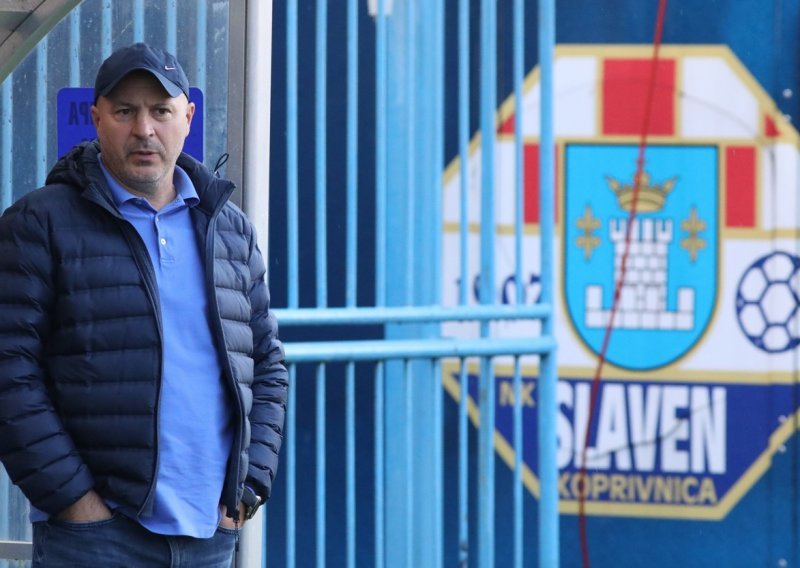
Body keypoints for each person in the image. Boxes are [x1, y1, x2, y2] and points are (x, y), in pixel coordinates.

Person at [0, 43, 288, 567]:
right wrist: (74, 501)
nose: (144, 129)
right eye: (125, 111)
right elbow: (8, 369)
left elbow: (266, 362)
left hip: (209, 534)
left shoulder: (228, 228)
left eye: (160, 111)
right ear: (96, 119)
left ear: (188, 117)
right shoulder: (39, 223)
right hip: (95, 538)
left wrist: (248, 487)